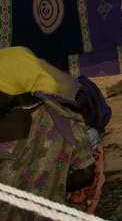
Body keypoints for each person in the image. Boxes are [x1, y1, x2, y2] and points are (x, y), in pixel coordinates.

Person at [0, 47, 97, 220]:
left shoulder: (6, 125)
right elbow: (87, 172)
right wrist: (51, 186)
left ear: (14, 86)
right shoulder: (66, 118)